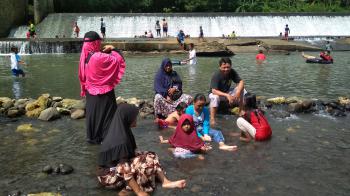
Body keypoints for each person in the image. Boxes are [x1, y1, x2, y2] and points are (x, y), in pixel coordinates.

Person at [97, 104, 186, 195]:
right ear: (127, 118)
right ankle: (128, 190)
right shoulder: (121, 139)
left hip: (118, 168)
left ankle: (165, 182)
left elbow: (131, 155)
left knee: (151, 155)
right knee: (145, 163)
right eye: (134, 117)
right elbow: (123, 169)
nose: (136, 119)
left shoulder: (123, 130)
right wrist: (139, 192)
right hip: (109, 177)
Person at [78, 31, 126, 144]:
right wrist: (113, 49)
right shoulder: (98, 57)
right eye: (99, 42)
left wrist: (103, 52)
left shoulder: (84, 56)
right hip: (104, 94)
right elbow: (118, 61)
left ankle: (93, 140)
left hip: (90, 93)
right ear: (95, 43)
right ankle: (108, 142)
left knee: (93, 117)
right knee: (107, 118)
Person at [209, 57, 245, 126]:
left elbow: (241, 82)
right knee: (215, 97)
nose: (226, 69)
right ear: (220, 67)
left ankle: (240, 110)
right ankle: (212, 118)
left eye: (228, 67)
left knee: (242, 89)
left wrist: (238, 92)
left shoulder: (232, 72)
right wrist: (227, 95)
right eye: (224, 67)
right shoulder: (216, 75)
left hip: (227, 92)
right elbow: (214, 91)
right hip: (217, 94)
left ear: (231, 66)